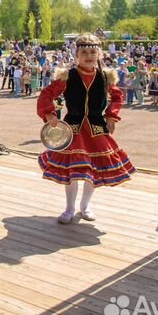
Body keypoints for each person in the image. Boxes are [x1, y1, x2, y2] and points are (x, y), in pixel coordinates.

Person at [37, 33, 135, 224]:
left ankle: (85, 206)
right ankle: (69, 208)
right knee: (73, 172)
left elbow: (117, 97)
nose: (89, 56)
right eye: (84, 52)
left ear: (99, 53)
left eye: (93, 51)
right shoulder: (68, 76)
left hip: (97, 129)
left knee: (94, 171)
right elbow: (46, 94)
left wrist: (111, 116)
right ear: (77, 54)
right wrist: (49, 114)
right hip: (72, 129)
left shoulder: (105, 77)